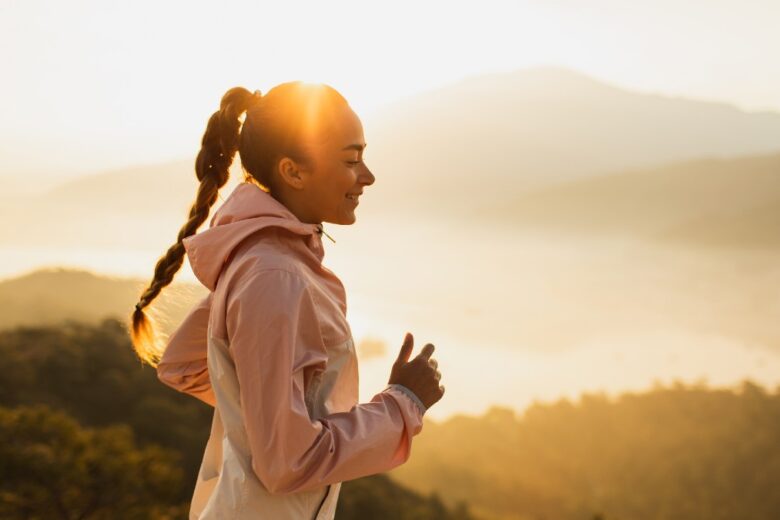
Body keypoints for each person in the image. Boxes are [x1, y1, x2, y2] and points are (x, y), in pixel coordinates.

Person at [129, 82, 445, 519]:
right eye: (351, 160)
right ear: (293, 172)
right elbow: (287, 463)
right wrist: (402, 404)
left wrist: (264, 412)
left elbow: (184, 365)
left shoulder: (260, 259)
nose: (368, 176)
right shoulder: (274, 275)